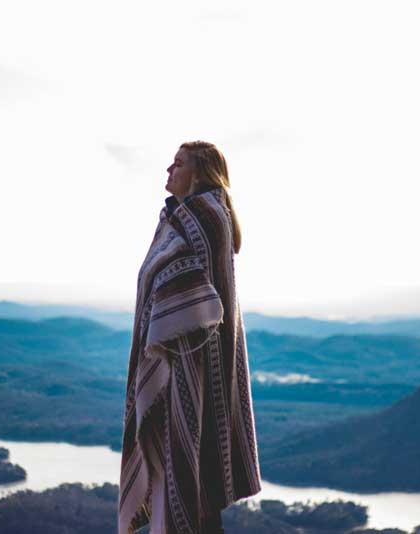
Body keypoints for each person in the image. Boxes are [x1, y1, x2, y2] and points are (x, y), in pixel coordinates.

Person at [118, 141, 263, 534]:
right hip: (180, 359)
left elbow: (187, 288)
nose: (169, 169)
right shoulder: (185, 217)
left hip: (189, 362)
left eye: (178, 163)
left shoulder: (204, 217)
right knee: (185, 471)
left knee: (190, 468)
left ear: (198, 173)